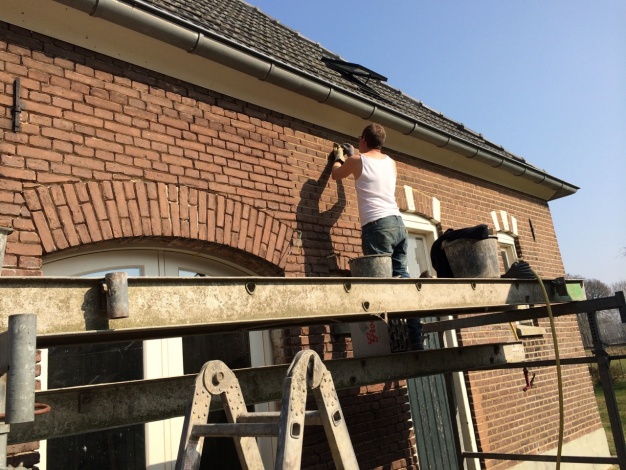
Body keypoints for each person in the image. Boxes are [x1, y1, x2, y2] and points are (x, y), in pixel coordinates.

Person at [330, 123, 423, 349]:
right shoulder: (391, 163)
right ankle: (416, 338)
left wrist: (339, 157)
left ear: (363, 140)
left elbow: (336, 175)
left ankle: (388, 343)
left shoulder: (356, 161)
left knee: (380, 284)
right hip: (398, 224)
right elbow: (372, 174)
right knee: (403, 279)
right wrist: (355, 156)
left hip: (377, 226)